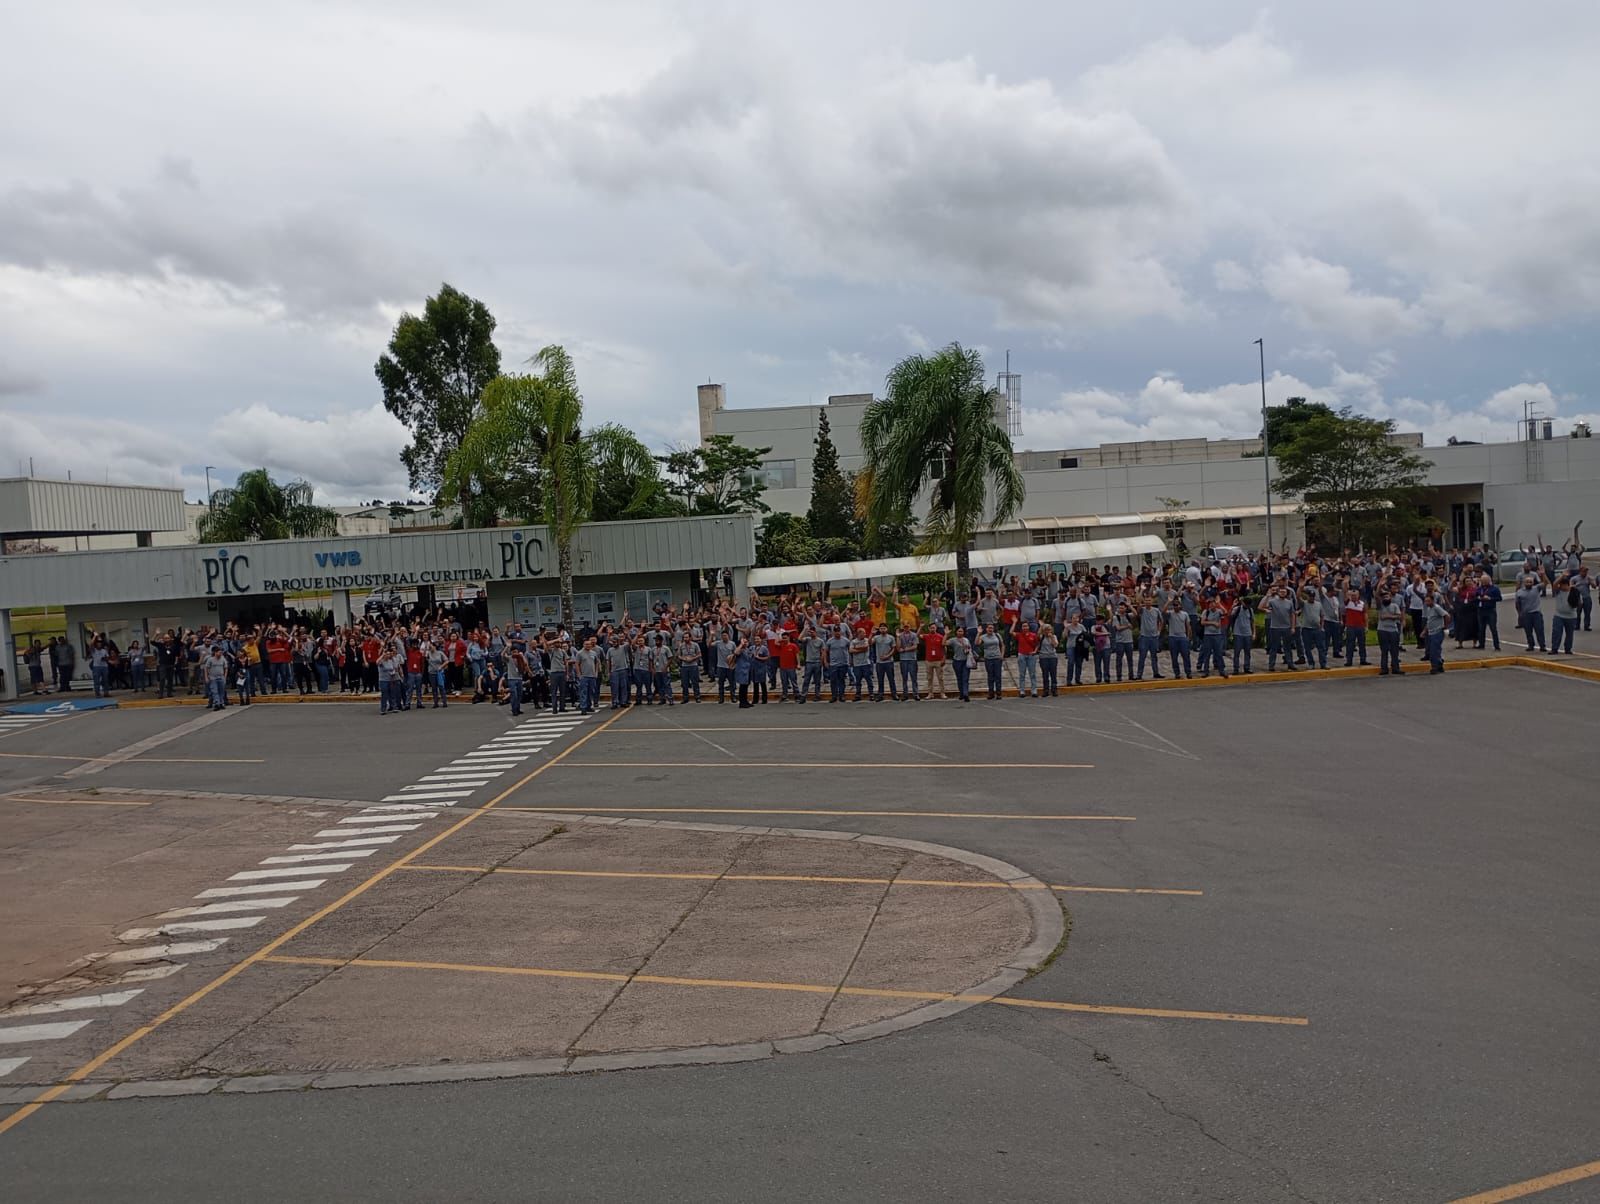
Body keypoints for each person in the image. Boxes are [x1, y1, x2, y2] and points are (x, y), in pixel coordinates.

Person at [1515, 573, 1547, 652]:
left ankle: (1542, 646)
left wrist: (1543, 574)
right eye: (1527, 582)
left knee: (1539, 630)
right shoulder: (1519, 592)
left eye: (1530, 582)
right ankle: (1530, 645)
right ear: (1524, 583)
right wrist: (1520, 613)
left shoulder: (1536, 588)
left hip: (1536, 613)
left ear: (1533, 583)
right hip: (1526, 614)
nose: (1528, 583)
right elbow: (1517, 604)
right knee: (1528, 631)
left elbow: (1546, 583)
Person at [1550, 574, 1580, 655]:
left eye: (1564, 585)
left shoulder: (1574, 591)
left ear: (1568, 585)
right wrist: (1562, 576)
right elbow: (1554, 584)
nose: (1563, 587)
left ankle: (1568, 649)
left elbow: (1579, 602)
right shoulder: (1558, 592)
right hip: (1559, 615)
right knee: (1557, 633)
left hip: (1571, 616)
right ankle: (1554, 648)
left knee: (1569, 634)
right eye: (1561, 585)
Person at [1341, 589, 1369, 667]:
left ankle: (1363, 659)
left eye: (1355, 595)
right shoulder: (1348, 603)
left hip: (1360, 626)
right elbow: (1345, 593)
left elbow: (1365, 615)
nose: (1353, 596)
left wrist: (1366, 626)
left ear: (1358, 595)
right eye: (1352, 595)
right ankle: (1349, 660)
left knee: (1362, 644)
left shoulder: (1362, 604)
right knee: (1350, 644)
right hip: (1351, 626)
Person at [1423, 592, 1450, 673]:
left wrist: (1445, 626)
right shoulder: (1428, 609)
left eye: (1428, 601)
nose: (1427, 603)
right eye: (1426, 601)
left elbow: (1447, 616)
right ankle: (1439, 664)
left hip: (1437, 632)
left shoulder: (1436, 608)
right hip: (1431, 632)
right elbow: (1429, 621)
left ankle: (1434, 667)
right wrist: (1424, 631)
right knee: (1433, 650)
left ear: (1433, 601)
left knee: (1434, 651)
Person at [979, 623, 1004, 699]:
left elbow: (1002, 645)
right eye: (989, 628)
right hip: (988, 658)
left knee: (998, 676)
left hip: (997, 658)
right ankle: (991, 693)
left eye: (992, 628)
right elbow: (977, 643)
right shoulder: (983, 637)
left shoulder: (997, 635)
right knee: (990, 676)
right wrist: (978, 633)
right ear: (986, 629)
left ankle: (999, 693)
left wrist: (1002, 655)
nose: (990, 629)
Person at [924, 623, 948, 699]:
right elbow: (917, 635)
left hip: (938, 660)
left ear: (936, 628)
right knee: (929, 678)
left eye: (934, 628)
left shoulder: (940, 636)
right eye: (931, 628)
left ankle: (942, 693)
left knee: (940, 678)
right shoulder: (927, 636)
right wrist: (920, 627)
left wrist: (944, 658)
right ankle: (930, 693)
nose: (932, 629)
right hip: (929, 660)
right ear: (929, 628)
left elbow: (944, 647)